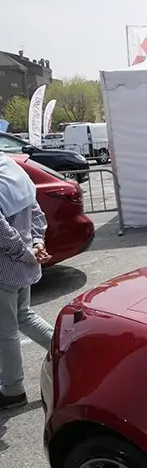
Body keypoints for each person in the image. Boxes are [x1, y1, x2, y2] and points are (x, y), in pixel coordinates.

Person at [0, 152, 54, 410]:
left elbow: (1, 230)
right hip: (22, 266)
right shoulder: (10, 168)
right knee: (24, 316)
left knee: (6, 331)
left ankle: (13, 390)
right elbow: (35, 209)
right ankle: (70, 352)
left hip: (5, 267)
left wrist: (25, 252)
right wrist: (36, 242)